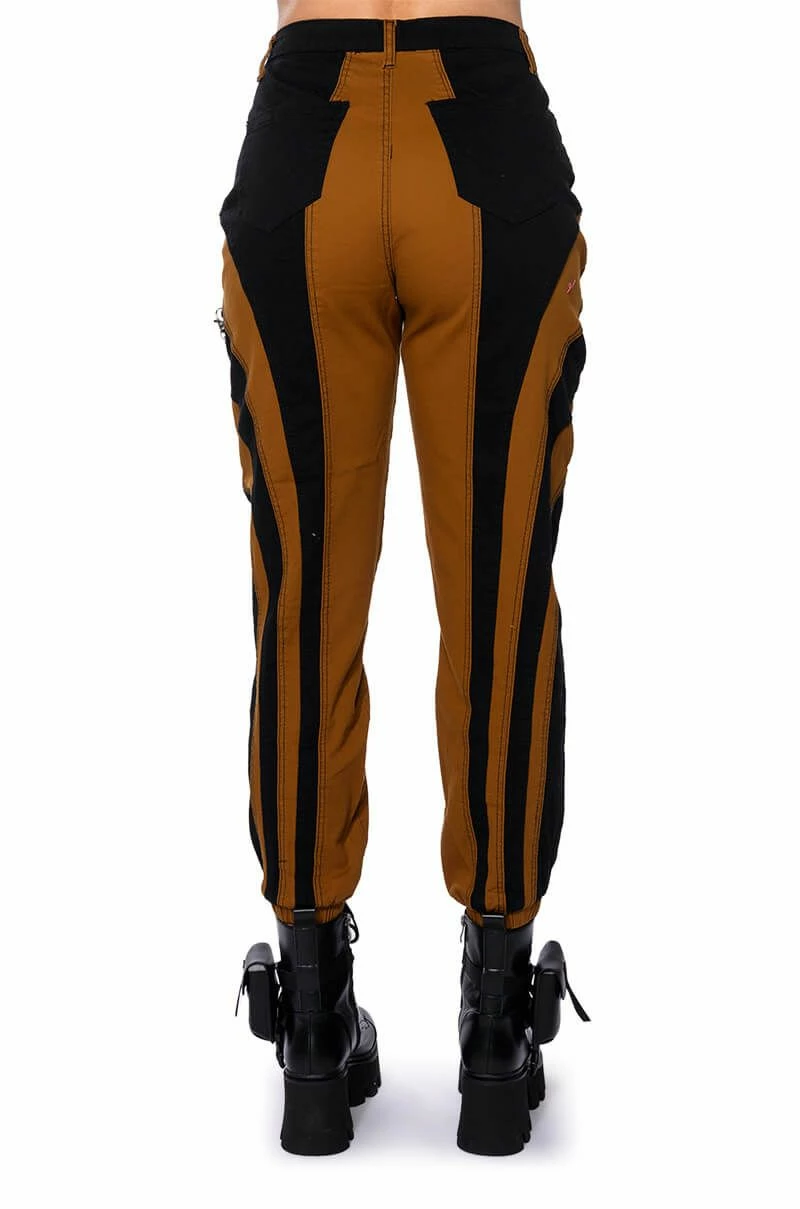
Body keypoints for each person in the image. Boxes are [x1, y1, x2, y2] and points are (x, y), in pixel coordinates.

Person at [217, 0, 588, 1155]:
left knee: (303, 604)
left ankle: (310, 1024)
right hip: (481, 137)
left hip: (306, 144)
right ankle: (496, 1024)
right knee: (499, 598)